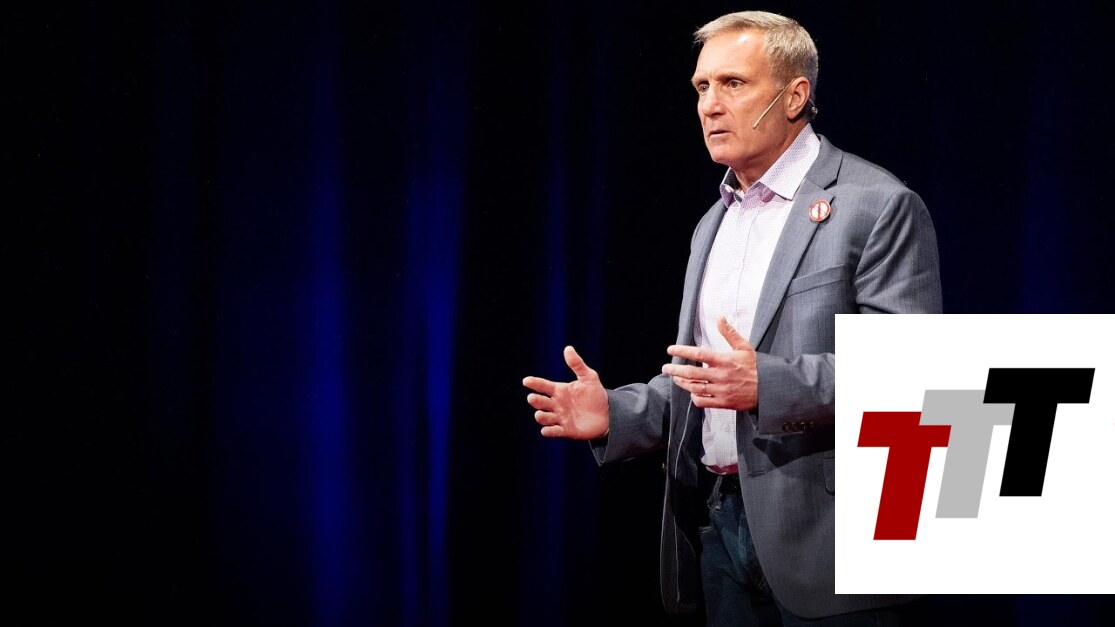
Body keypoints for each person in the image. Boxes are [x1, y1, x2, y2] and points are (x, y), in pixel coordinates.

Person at [522, 10, 941, 626]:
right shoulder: (713, 224)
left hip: (832, 539)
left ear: (795, 96)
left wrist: (768, 384)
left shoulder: (875, 206)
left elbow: (912, 376)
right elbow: (707, 380)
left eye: (733, 84)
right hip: (720, 529)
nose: (709, 106)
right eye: (701, 87)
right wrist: (617, 413)